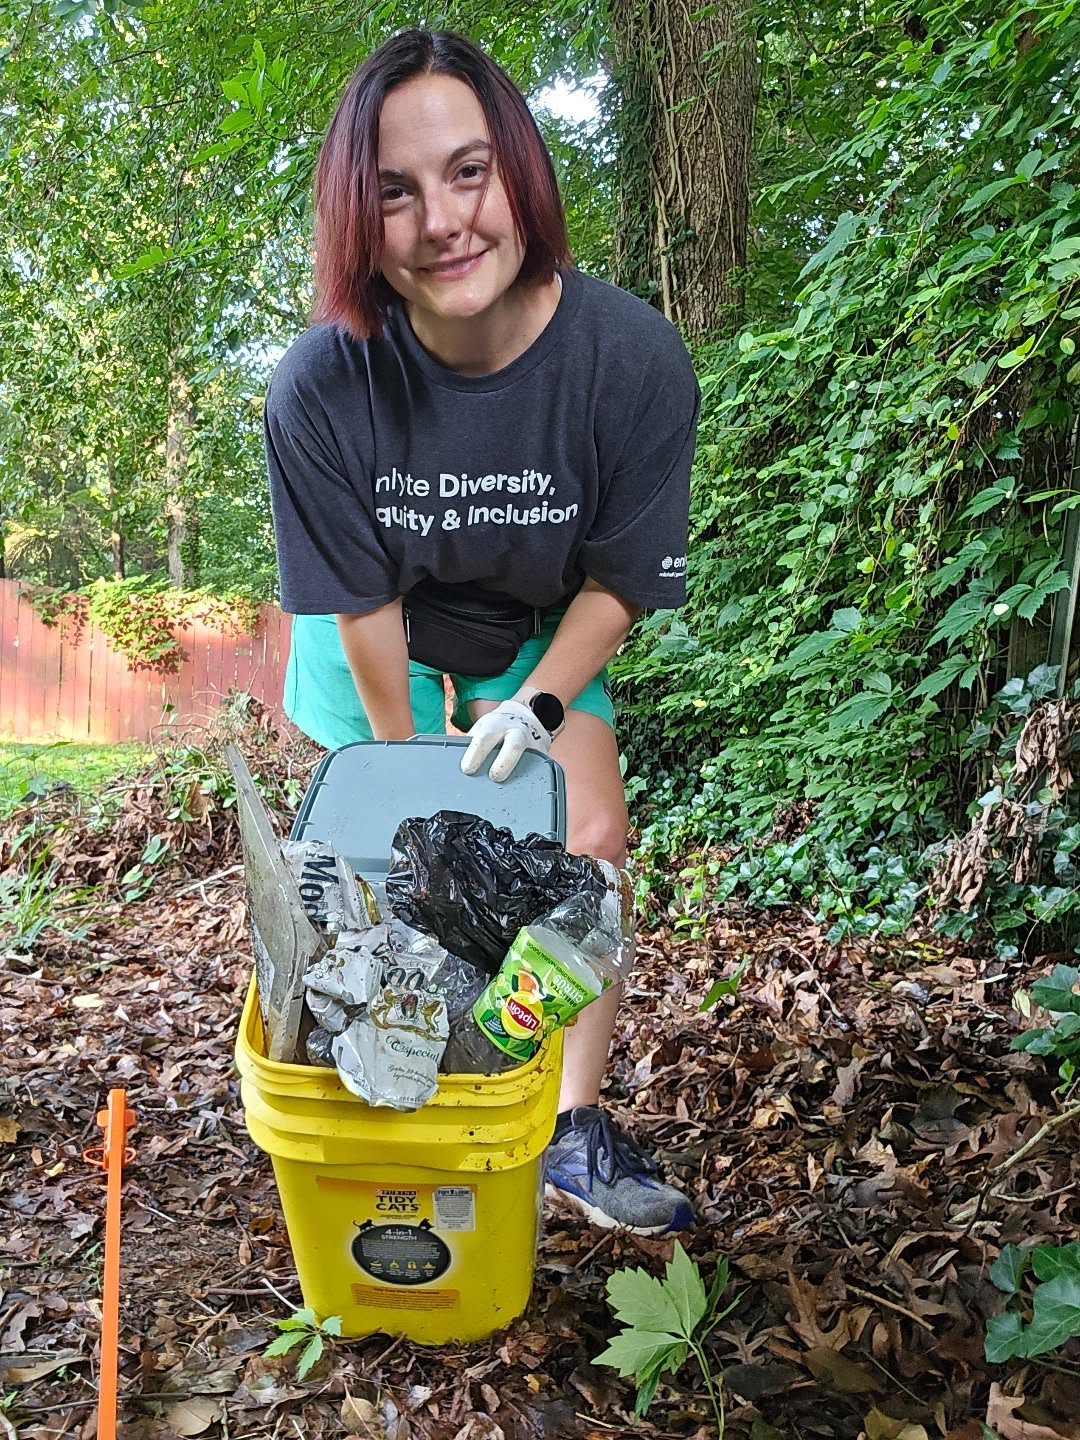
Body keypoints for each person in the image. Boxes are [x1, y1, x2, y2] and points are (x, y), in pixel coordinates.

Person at [265, 28, 700, 1234]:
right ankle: (385, 1083)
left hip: (533, 635)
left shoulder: (631, 362)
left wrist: (539, 706)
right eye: (396, 193)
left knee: (592, 834)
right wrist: (407, 781)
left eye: (469, 171)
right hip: (377, 640)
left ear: (521, 173)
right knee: (375, 875)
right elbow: (358, 602)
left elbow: (617, 579)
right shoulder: (319, 386)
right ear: (363, 221)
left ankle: (568, 1131)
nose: (444, 221)